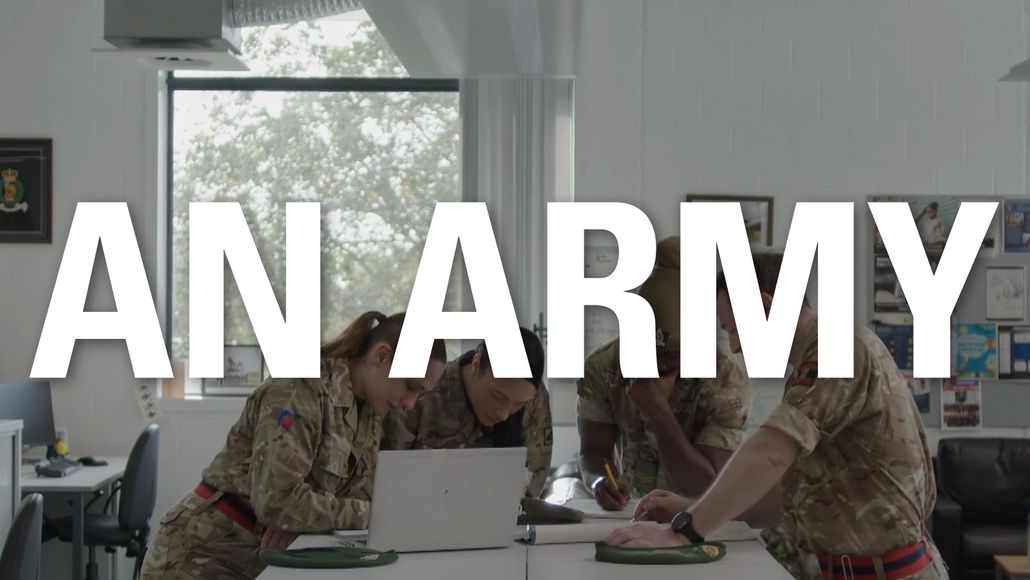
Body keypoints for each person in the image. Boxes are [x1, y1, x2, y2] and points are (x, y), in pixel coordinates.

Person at [607, 252, 947, 580]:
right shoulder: (811, 368)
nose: (735, 347)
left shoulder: (840, 349)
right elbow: (785, 499)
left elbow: (770, 451)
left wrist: (684, 531)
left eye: (734, 329)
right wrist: (693, 508)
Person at [140, 312, 448, 580]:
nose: (410, 403)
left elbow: (346, 495)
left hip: (265, 557)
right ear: (382, 356)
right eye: (411, 387)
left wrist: (304, 522)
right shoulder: (299, 389)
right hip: (201, 554)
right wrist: (372, 513)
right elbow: (278, 502)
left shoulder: (367, 412)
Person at [577, 236, 751, 511]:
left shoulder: (725, 381)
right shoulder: (605, 365)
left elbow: (706, 484)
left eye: (671, 356)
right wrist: (600, 482)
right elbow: (593, 451)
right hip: (629, 512)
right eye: (650, 351)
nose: (659, 364)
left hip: (697, 515)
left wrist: (658, 410)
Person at [382, 327, 552, 497]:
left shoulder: (533, 398)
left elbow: (534, 479)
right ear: (476, 366)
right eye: (497, 396)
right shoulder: (424, 391)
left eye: (518, 404)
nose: (503, 414)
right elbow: (388, 478)